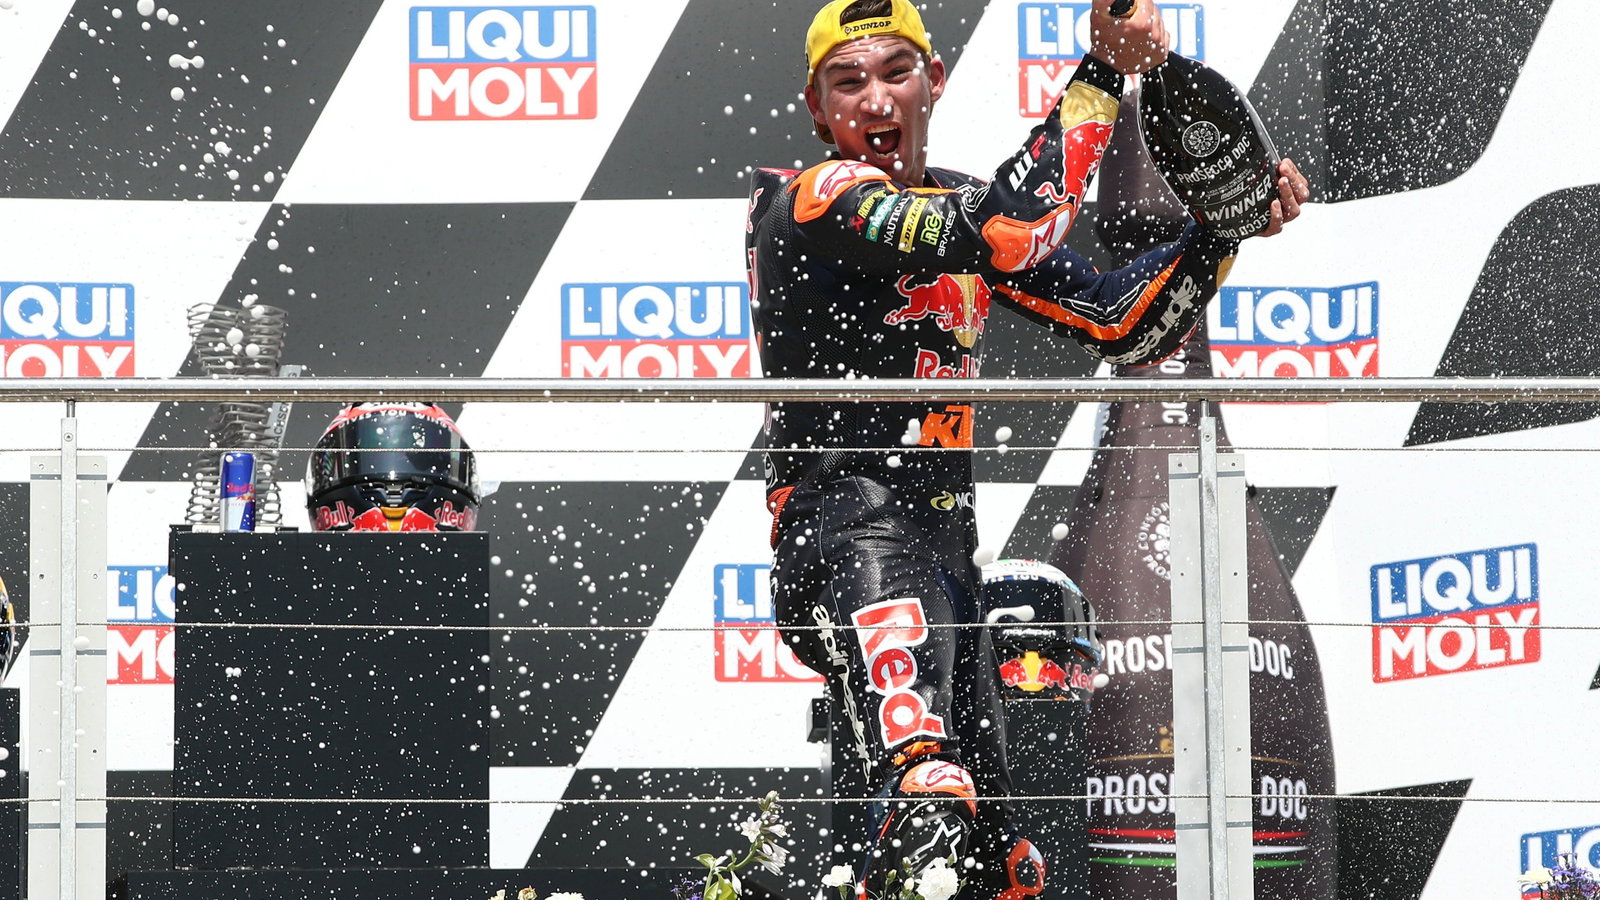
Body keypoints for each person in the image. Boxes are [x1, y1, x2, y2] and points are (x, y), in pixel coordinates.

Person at [743, 0, 1311, 896]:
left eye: (896, 72)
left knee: (1000, 868)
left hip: (946, 566)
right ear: (818, 110)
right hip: (841, 543)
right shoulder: (816, 200)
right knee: (923, 801)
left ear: (935, 81)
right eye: (847, 83)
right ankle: (910, 790)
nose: (875, 100)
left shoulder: (961, 203)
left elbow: (1120, 322)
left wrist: (1224, 229)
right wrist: (1101, 73)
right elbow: (1009, 231)